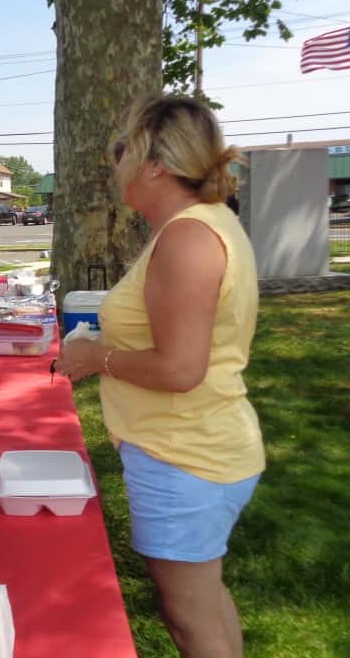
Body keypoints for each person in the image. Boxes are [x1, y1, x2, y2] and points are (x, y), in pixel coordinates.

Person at [55, 95, 264, 658]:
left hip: (186, 454)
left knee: (189, 618)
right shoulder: (199, 226)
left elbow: (179, 368)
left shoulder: (188, 237)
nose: (114, 162)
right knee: (204, 601)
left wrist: (97, 358)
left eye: (124, 149)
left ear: (154, 163)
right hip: (196, 447)